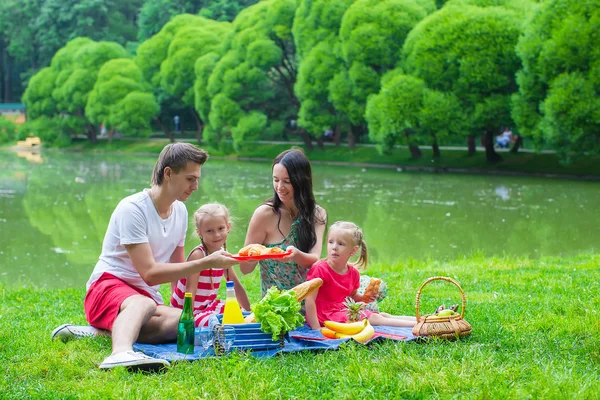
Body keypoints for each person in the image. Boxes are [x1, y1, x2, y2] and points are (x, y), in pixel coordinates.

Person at [51, 143, 239, 371]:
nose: (196, 186)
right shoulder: (133, 209)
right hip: (107, 288)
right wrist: (207, 261)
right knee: (144, 303)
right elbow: (149, 274)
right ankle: (119, 353)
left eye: (197, 179)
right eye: (190, 179)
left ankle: (99, 333)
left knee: (183, 321)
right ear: (168, 173)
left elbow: (177, 267)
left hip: (146, 299)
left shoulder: (179, 210)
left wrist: (180, 305)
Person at [240, 148, 327, 296]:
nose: (280, 187)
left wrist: (295, 255)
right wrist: (255, 255)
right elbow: (245, 269)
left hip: (312, 303)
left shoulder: (317, 214)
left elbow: (314, 260)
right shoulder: (264, 214)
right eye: (276, 180)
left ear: (301, 181)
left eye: (287, 181)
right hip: (276, 305)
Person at [304, 221, 416, 330]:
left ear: (353, 250)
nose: (334, 247)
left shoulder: (353, 273)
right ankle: (416, 325)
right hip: (323, 315)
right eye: (330, 242)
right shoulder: (320, 269)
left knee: (383, 315)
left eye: (341, 243)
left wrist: (363, 298)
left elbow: (352, 295)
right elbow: (309, 300)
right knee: (375, 318)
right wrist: (316, 327)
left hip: (341, 311)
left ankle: (422, 319)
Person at [170, 203, 250, 327]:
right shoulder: (199, 255)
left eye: (220, 228)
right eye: (209, 231)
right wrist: (188, 323)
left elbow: (235, 285)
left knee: (236, 312)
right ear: (199, 232)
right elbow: (190, 291)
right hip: (187, 311)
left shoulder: (223, 255)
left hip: (207, 307)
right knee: (217, 323)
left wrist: (249, 312)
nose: (217, 235)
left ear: (228, 227)